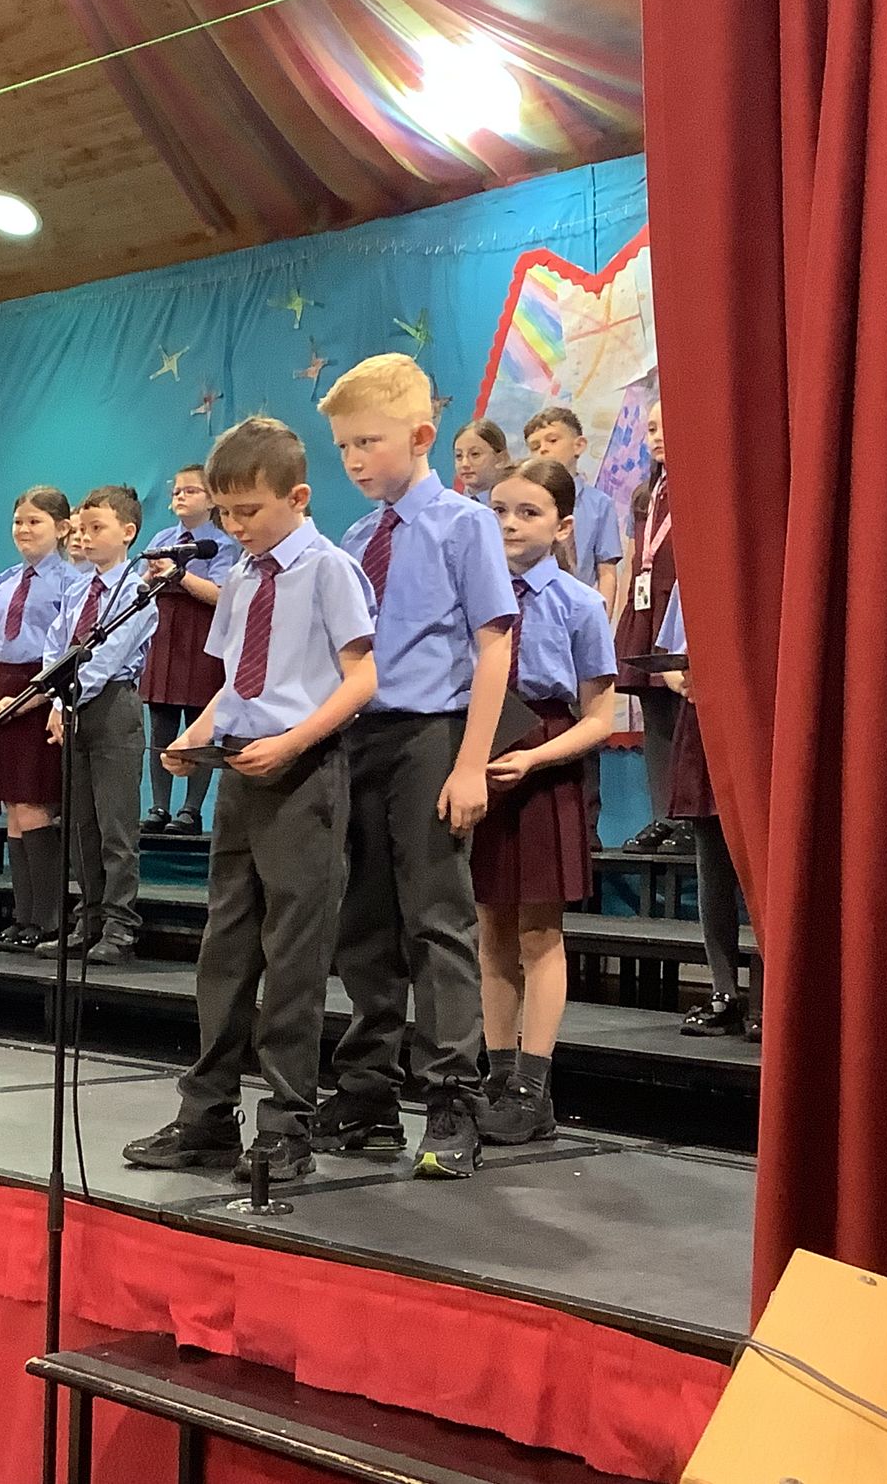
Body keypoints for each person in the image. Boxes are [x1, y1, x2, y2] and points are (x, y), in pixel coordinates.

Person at [122, 417, 376, 1182]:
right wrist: (195, 736)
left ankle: (287, 1126)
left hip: (304, 775)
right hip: (238, 768)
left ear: (297, 498)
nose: (235, 527)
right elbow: (237, 683)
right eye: (226, 512)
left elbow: (362, 680)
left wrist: (294, 742)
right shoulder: (240, 575)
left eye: (249, 511)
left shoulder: (329, 570)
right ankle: (205, 1116)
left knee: (293, 956)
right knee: (225, 949)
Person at [319, 354, 516, 1179]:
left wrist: (471, 764)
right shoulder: (356, 539)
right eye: (343, 447)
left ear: (422, 435)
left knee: (436, 919)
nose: (355, 459)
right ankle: (366, 1091)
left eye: (369, 441)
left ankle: (451, 1096)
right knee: (362, 922)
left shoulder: (464, 524)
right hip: (360, 736)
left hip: (431, 734)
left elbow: (494, 643)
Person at [472, 460, 618, 1143]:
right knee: (490, 929)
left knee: (539, 932)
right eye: (499, 510)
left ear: (562, 526)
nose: (508, 524)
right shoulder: (474, 597)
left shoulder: (579, 604)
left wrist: (535, 757)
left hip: (545, 759)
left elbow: (599, 718)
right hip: (481, 753)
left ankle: (533, 1086)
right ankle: (498, 1075)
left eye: (527, 512)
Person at [36, 485, 158, 967]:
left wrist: (66, 699)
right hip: (71, 706)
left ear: (127, 532)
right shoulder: (77, 589)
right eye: (81, 529)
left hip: (112, 706)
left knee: (115, 826)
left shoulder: (136, 593)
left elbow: (107, 658)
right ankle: (86, 918)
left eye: (96, 528)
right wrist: (55, 697)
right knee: (79, 823)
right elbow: (56, 645)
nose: (84, 537)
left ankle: (119, 925)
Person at [0, 487, 79, 952]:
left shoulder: (72, 583)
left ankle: (48, 920)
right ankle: (22, 915)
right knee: (13, 809)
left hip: (39, 695)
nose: (24, 530)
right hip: (0, 696)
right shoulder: (1, 583)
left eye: (35, 521)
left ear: (62, 528)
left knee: (35, 807)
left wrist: (32, 699)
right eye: (18, 521)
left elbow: (69, 654)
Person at [655, 594, 754, 1038]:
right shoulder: (688, 581)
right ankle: (724, 992)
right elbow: (670, 658)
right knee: (711, 865)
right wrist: (683, 682)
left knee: (761, 866)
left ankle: (769, 996)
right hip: (703, 719)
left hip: (755, 716)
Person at [138, 465, 240, 836]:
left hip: (203, 637)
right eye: (177, 491)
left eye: (191, 491)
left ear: (211, 500)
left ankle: (191, 810)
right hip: (165, 635)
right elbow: (141, 589)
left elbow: (221, 595)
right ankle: (159, 806)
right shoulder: (162, 538)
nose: (180, 496)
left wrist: (178, 574)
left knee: (199, 723)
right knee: (161, 726)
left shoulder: (222, 544)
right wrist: (149, 577)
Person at [615, 400, 689, 854]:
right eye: (651, 429)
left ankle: (688, 816)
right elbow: (635, 556)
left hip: (679, 608)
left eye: (665, 427)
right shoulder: (648, 494)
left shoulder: (696, 487)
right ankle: (663, 814)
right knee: (655, 712)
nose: (657, 437)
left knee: (685, 714)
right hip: (646, 607)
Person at [517, 407, 623, 614]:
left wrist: (602, 618)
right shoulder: (522, 503)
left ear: (579, 445)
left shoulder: (600, 505)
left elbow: (606, 570)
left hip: (577, 608)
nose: (543, 450)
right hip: (529, 607)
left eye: (552, 440)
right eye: (535, 446)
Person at [451, 418, 511, 495]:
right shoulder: (450, 501)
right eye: (459, 456)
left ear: (501, 459)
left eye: (475, 454)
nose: (464, 464)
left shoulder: (517, 500)